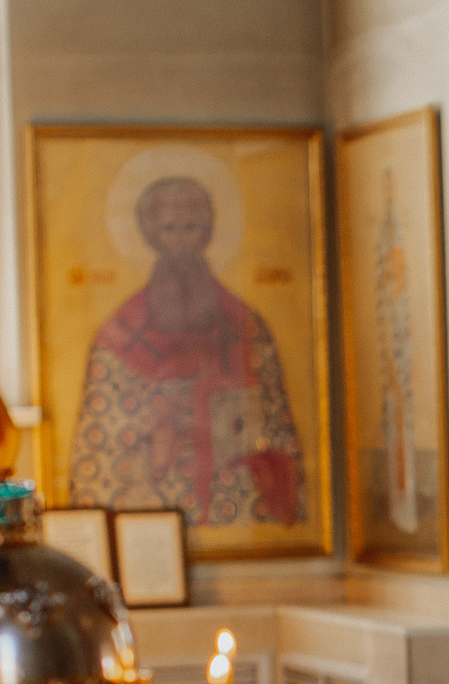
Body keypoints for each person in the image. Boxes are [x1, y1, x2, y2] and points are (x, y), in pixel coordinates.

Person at [69, 175, 307, 529]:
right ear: (150, 234)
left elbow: (276, 423)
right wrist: (159, 421)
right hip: (156, 501)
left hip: (236, 503)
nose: (180, 241)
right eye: (169, 228)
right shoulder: (118, 334)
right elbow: (101, 439)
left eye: (191, 227)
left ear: (207, 232)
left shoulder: (247, 326)